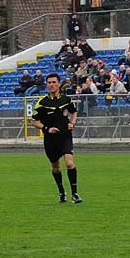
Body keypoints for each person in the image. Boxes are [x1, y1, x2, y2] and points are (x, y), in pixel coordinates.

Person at [31, 73, 82, 204]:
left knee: (70, 163)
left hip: (65, 136)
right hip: (50, 140)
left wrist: (72, 123)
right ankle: (61, 192)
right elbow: (34, 121)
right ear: (47, 85)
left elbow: (74, 112)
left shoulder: (66, 100)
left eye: (54, 82)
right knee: (56, 167)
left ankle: (75, 193)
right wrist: (47, 129)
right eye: (49, 82)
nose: (52, 85)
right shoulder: (42, 103)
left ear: (59, 84)